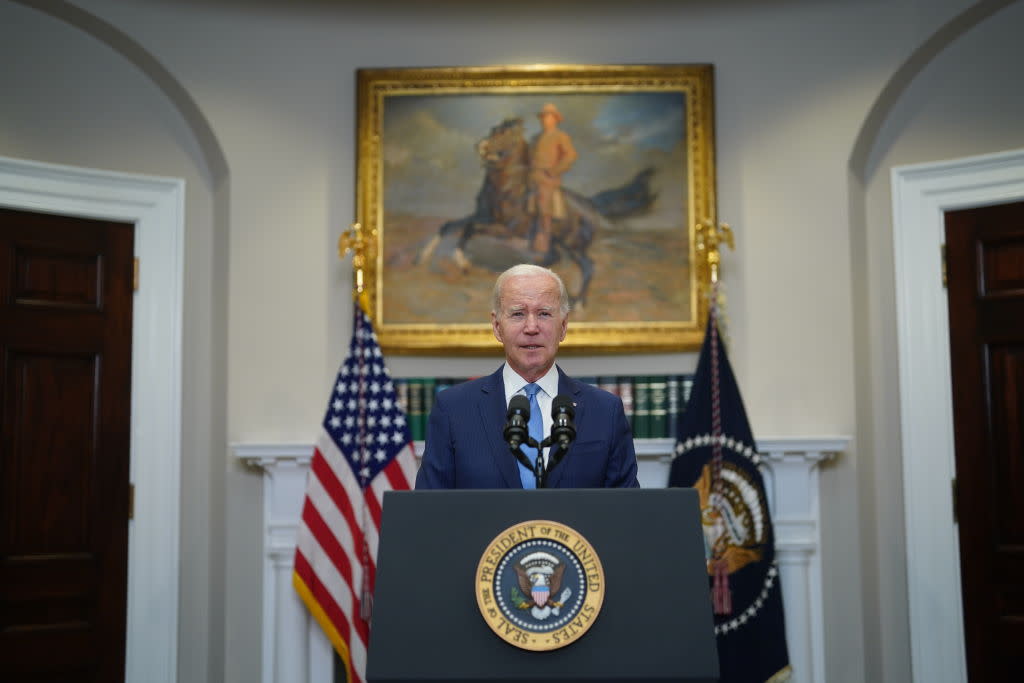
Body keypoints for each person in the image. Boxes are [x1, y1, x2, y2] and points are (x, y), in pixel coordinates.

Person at [415, 264, 639, 489]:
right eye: (518, 314)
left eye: (544, 314)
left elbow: (627, 513)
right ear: (496, 326)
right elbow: (430, 511)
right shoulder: (454, 409)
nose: (531, 327)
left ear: (563, 326)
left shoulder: (605, 411)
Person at [528, 103, 578, 254]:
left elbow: (571, 156)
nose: (544, 120)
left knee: (544, 209)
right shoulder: (535, 138)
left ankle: (544, 242)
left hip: (548, 179)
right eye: (543, 117)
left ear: (555, 119)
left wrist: (554, 171)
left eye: (548, 117)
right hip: (532, 177)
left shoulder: (560, 136)